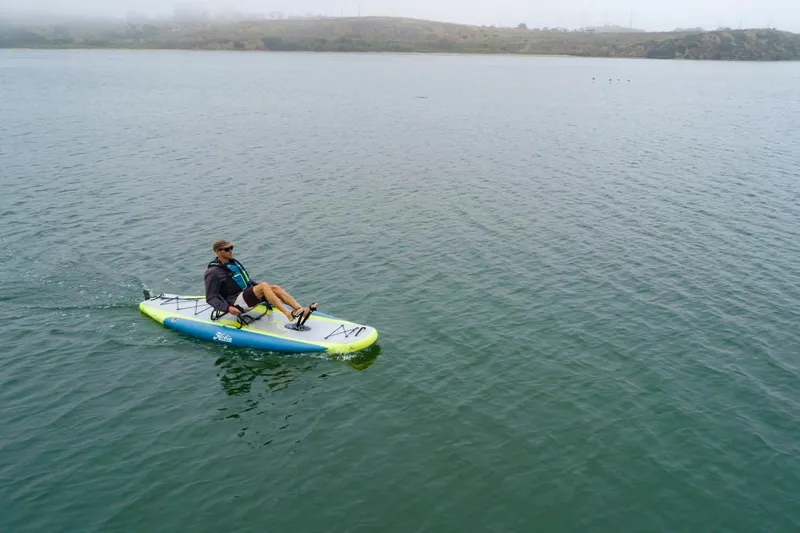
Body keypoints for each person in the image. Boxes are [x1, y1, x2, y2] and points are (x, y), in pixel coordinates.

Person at [204, 239, 315, 322]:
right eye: (227, 249)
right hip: (235, 302)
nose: (230, 251)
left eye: (231, 248)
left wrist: (268, 293)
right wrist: (227, 308)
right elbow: (211, 297)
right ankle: (288, 314)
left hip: (245, 296)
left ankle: (300, 310)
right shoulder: (213, 272)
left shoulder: (232, 263)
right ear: (217, 252)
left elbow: (246, 280)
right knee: (263, 285)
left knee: (274, 288)